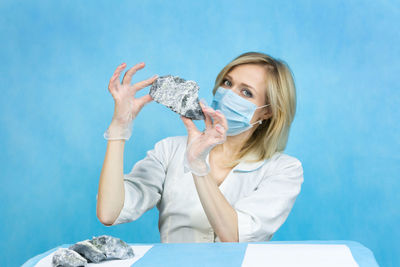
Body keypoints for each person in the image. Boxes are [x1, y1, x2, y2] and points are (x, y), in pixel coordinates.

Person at [96, 52, 304, 243]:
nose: (228, 94)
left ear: (268, 112)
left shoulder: (284, 170)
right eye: (227, 82)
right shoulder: (170, 150)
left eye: (246, 92)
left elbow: (234, 235)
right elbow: (109, 213)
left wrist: (197, 164)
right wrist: (119, 128)